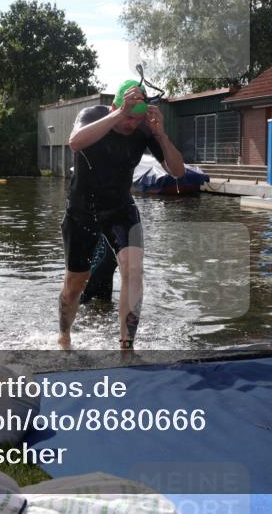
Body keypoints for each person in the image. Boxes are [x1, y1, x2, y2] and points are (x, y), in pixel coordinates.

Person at [57, 80, 185, 350]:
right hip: (83, 209)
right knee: (75, 283)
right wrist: (118, 114)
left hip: (120, 208)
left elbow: (177, 171)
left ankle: (126, 347)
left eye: (137, 119)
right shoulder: (92, 115)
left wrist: (161, 135)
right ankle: (64, 335)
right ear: (115, 107)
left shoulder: (144, 129)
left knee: (133, 269)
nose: (131, 125)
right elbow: (74, 143)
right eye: (128, 117)